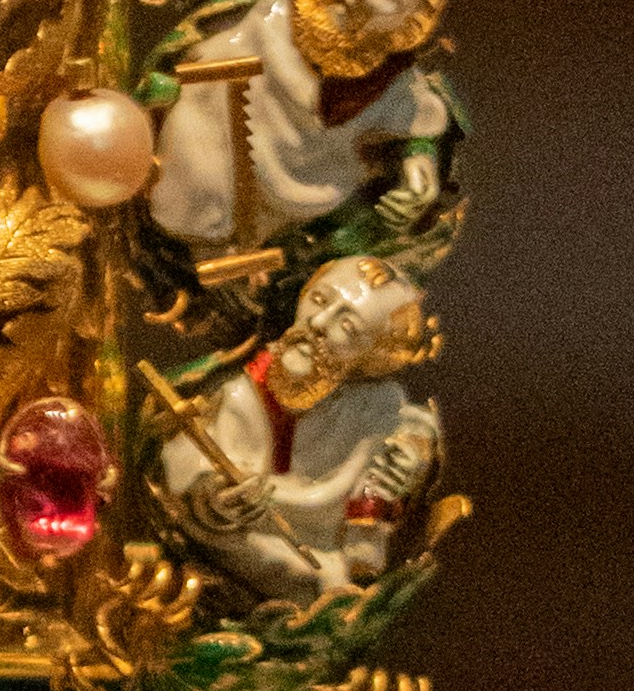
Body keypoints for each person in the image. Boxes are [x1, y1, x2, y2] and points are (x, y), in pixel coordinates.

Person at [147, 0, 458, 265]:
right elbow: (176, 63)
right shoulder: (259, 16)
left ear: (409, 24)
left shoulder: (386, 85)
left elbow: (421, 125)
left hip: (293, 209)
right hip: (197, 170)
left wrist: (420, 169)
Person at [146, 254, 444, 608]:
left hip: (327, 550)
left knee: (336, 579)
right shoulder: (234, 394)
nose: (318, 323)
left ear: (369, 357)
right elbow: (188, 469)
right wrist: (215, 499)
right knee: (320, 581)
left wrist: (415, 454)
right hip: (245, 542)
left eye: (347, 327)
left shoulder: (370, 410)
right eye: (319, 300)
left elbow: (411, 427)